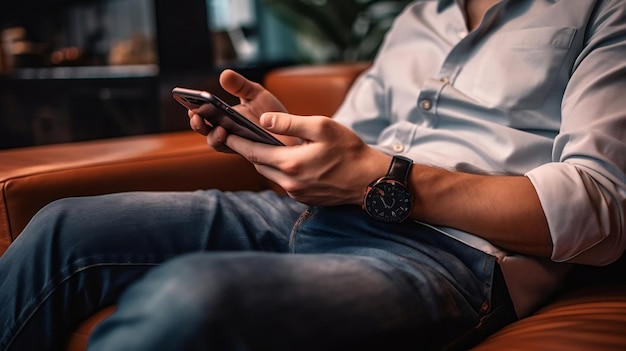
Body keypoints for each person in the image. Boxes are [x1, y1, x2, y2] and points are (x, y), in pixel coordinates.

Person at [1, 0, 625, 350]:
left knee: (194, 298)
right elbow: (353, 137)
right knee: (64, 226)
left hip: (449, 254)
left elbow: (602, 208)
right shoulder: (418, 18)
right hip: (314, 213)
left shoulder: (605, 10)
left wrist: (374, 179)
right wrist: (275, 129)